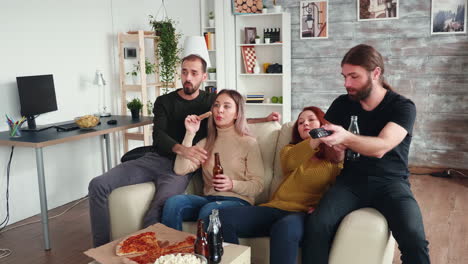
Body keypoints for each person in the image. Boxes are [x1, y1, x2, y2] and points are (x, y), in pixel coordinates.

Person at [88, 54, 280, 247]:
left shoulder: (215, 106)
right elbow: (160, 136)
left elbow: (233, 116)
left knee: (165, 207)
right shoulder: (170, 106)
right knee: (99, 185)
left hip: (215, 189)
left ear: (204, 77)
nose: (188, 77)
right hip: (160, 158)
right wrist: (186, 143)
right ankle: (103, 251)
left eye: (194, 73)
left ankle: (153, 253)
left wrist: (264, 119)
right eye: (184, 72)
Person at [302, 44, 430, 263]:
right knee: (317, 226)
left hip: (391, 183)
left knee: (414, 238)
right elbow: (332, 153)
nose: (347, 83)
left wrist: (345, 137)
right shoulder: (342, 104)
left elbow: (381, 147)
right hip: (351, 182)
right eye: (344, 76)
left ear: (376, 73)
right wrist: (331, 146)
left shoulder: (402, 107)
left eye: (354, 76)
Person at [218, 106, 343, 264]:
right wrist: (315, 140)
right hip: (275, 208)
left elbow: (340, 190)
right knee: (221, 218)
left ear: (323, 124)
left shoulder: (334, 159)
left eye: (311, 120)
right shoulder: (289, 150)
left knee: (284, 228)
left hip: (302, 214)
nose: (305, 124)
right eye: (301, 122)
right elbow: (291, 161)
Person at [161, 89, 264, 230]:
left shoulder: (249, 143)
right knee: (173, 202)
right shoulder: (206, 143)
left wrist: (232, 184)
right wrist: (190, 134)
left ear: (237, 114)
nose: (219, 110)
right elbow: (180, 169)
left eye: (226, 106)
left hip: (238, 202)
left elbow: (258, 186)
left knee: (210, 211)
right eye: (216, 105)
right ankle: (174, 250)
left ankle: (203, 252)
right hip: (209, 199)